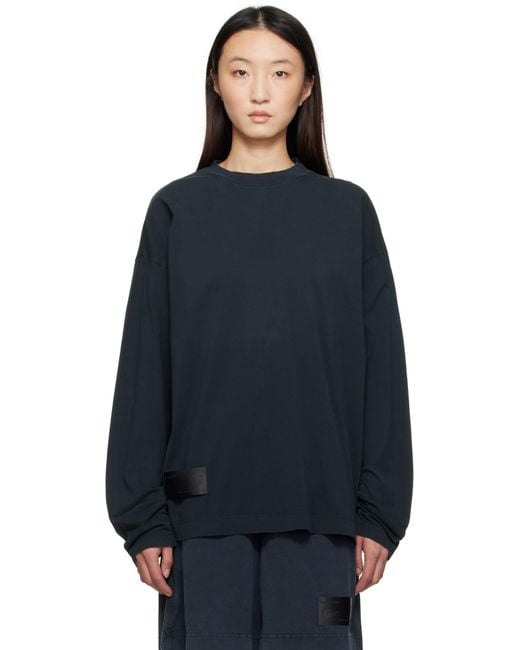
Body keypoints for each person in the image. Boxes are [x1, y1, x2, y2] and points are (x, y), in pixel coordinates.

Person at [105, 6, 414, 650]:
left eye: (280, 73)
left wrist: (380, 513)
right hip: (199, 513)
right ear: (215, 82)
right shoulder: (177, 210)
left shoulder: (347, 213)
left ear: (306, 88)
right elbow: (144, 370)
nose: (259, 92)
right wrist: (144, 518)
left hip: (322, 514)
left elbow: (383, 372)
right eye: (241, 71)